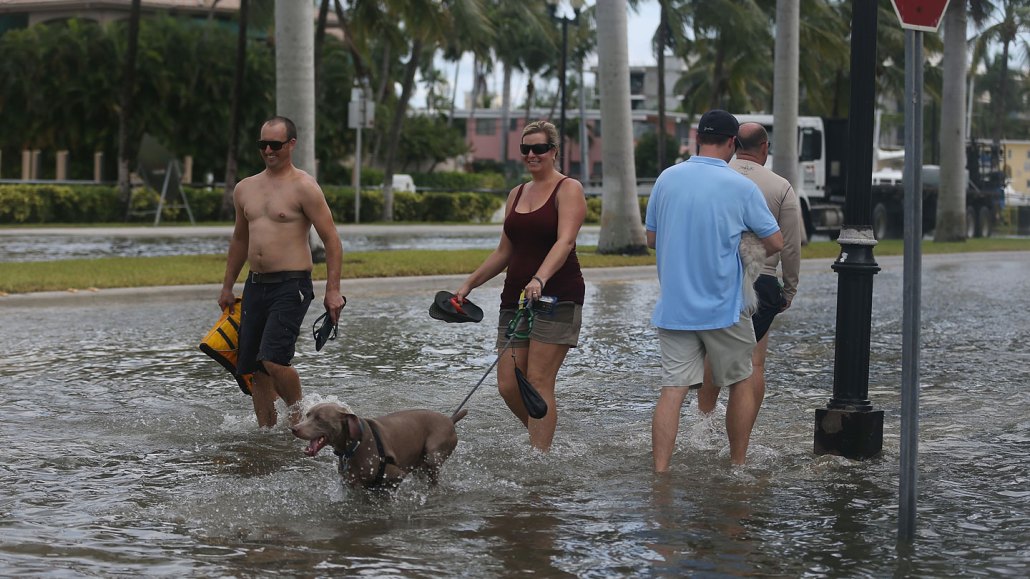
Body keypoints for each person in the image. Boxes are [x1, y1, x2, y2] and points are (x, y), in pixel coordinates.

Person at [646, 110, 783, 469]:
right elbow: (776, 241)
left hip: (675, 307)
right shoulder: (740, 187)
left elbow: (651, 238)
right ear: (732, 144)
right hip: (724, 306)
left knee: (672, 390)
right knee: (741, 380)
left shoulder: (667, 178)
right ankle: (738, 464)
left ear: (697, 139)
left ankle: (660, 472)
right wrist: (742, 248)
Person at [454, 120, 587, 452]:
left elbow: (565, 241)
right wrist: (469, 284)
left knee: (539, 380)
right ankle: (544, 436)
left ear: (553, 151)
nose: (532, 154)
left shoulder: (568, 188)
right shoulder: (516, 193)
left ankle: (540, 458)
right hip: (515, 298)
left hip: (557, 297)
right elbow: (505, 250)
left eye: (539, 148)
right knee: (508, 384)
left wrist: (540, 278)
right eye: (525, 149)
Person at [218, 116, 344, 428]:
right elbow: (239, 238)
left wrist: (332, 290)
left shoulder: (304, 187)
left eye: (275, 144)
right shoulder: (245, 188)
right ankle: (267, 432)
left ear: (291, 144)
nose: (269, 150)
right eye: (263, 144)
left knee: (273, 359)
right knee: (254, 367)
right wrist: (226, 286)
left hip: (292, 284)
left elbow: (332, 240)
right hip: (255, 285)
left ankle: (300, 415)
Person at [697, 122, 803, 423]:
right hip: (762, 279)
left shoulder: (715, 178)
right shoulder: (780, 186)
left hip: (715, 279)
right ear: (764, 148)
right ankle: (742, 434)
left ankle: (704, 427)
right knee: (754, 364)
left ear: (734, 144)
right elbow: (791, 245)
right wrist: (790, 289)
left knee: (711, 356)